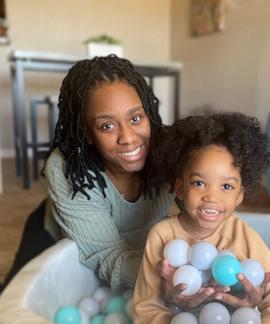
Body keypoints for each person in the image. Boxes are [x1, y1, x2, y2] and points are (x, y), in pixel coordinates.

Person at [2, 55, 176, 293]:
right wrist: (167, 282)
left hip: (134, 253)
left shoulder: (171, 154)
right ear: (86, 132)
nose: (127, 137)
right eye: (107, 125)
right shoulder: (67, 170)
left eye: (135, 118)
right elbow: (107, 255)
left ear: (149, 114)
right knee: (12, 304)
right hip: (55, 234)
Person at [133, 113, 270, 324]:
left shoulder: (243, 235)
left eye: (226, 187)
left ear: (240, 195)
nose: (211, 197)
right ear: (180, 188)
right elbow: (146, 308)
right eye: (199, 183)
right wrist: (173, 310)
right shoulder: (161, 236)